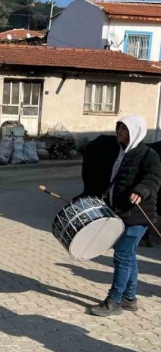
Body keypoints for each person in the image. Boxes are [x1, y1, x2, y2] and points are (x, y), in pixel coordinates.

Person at [77, 116, 161, 317]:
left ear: (135, 131)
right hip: (121, 213)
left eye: (124, 128)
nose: (119, 131)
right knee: (128, 256)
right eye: (119, 127)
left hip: (138, 216)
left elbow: (153, 179)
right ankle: (129, 299)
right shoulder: (123, 153)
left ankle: (114, 301)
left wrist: (141, 191)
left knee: (122, 256)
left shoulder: (149, 155)